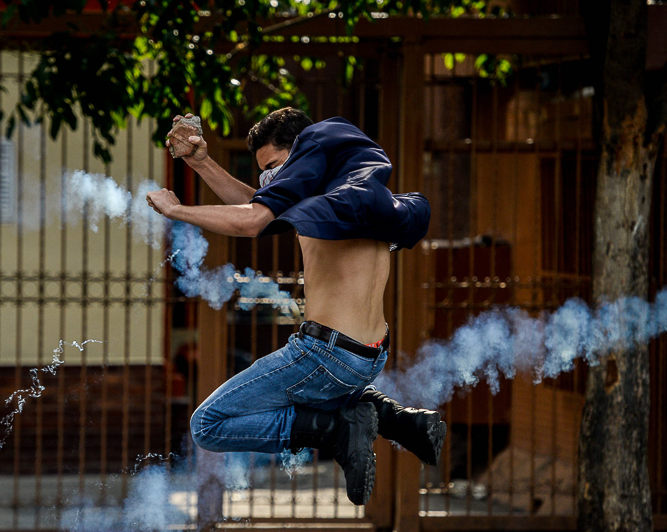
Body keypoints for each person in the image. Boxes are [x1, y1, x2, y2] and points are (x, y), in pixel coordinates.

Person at [146, 108, 446, 506]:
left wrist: (176, 210)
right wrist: (201, 163)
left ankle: (335, 431)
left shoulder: (330, 193)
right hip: (369, 356)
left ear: (302, 152)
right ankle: (399, 420)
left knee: (207, 425)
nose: (269, 180)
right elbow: (259, 205)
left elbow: (252, 220)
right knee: (323, 394)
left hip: (325, 353)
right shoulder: (353, 199)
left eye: (272, 167)